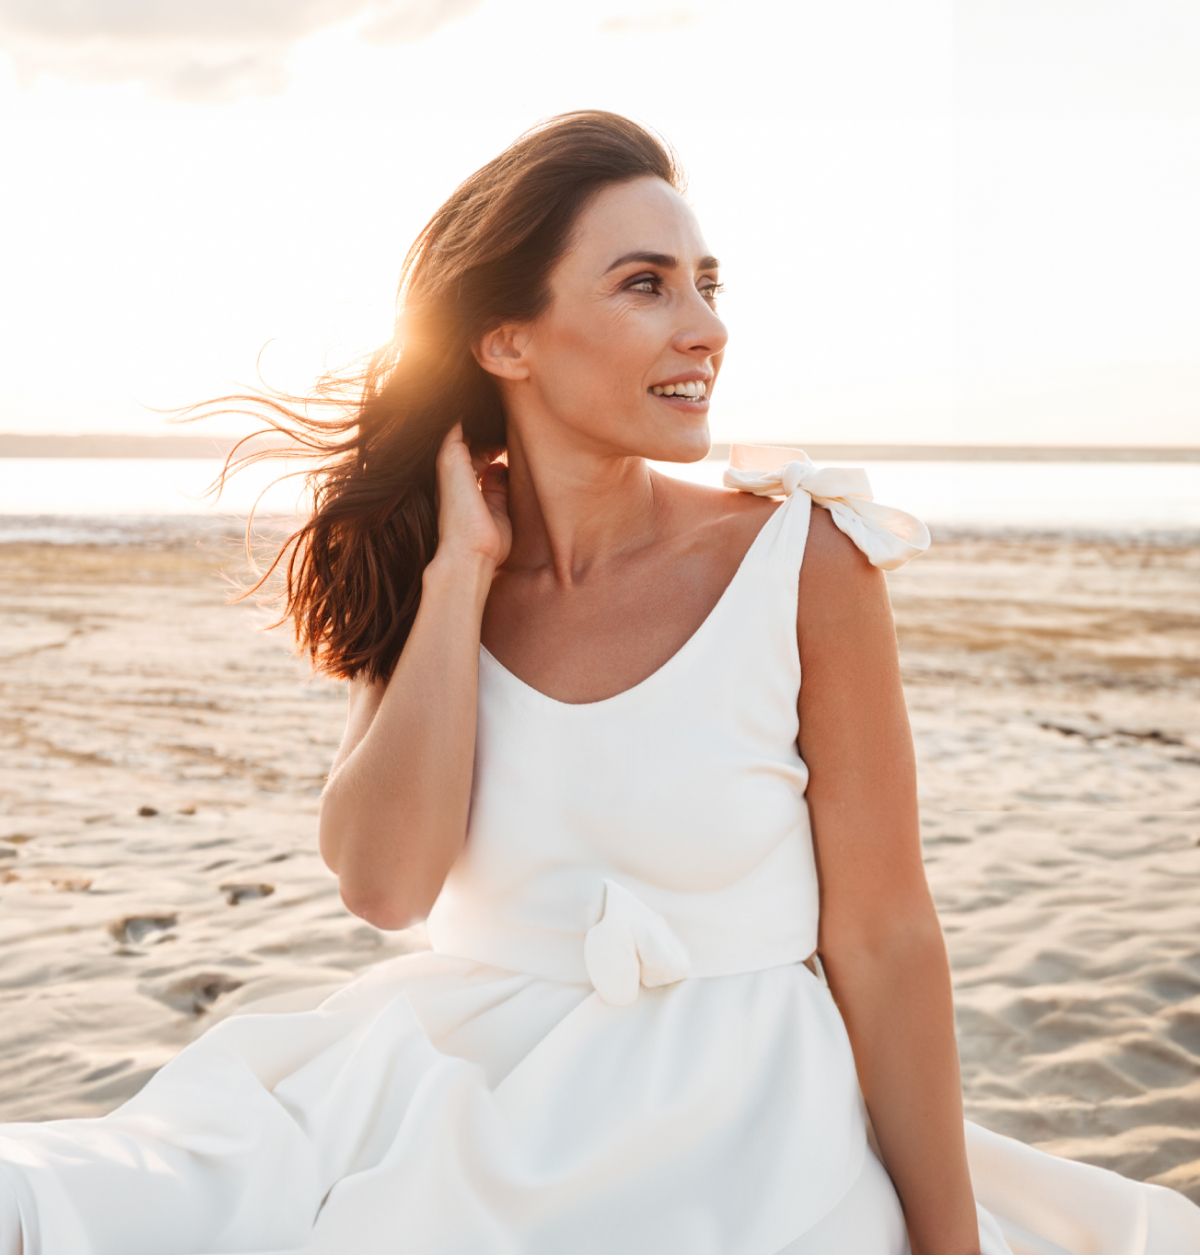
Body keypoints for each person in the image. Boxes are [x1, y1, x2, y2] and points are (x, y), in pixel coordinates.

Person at [1, 108, 1198, 1255]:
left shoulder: (804, 557)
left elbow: (884, 937)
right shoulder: (428, 563)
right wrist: (461, 577)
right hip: (454, 1092)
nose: (706, 328)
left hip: (745, 1125)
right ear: (506, 339)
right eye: (646, 284)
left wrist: (950, 1247)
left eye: (706, 283)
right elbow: (384, 883)